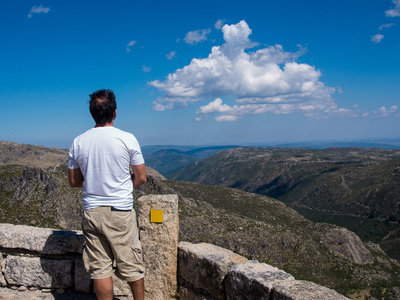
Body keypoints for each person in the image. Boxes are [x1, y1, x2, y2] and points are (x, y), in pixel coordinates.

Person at [68, 89, 147, 300]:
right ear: (115, 113)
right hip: (120, 211)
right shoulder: (127, 139)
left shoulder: (78, 142)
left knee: (100, 270)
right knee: (132, 265)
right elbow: (141, 177)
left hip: (92, 212)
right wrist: (120, 186)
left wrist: (95, 179)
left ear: (92, 113)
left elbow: (74, 181)